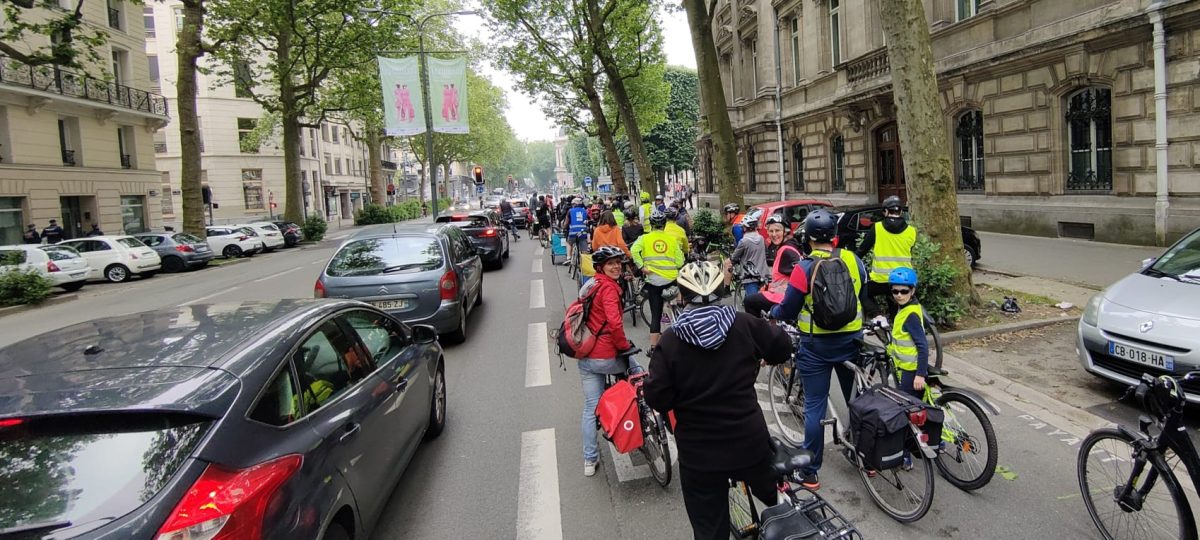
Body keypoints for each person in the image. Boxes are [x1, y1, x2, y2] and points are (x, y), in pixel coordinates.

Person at [643, 260, 794, 540]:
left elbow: (657, 397)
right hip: (750, 442)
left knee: (709, 528)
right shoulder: (744, 324)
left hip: (700, 454)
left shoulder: (671, 341)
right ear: (722, 290)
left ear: (682, 296)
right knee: (777, 503)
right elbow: (782, 347)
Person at [768, 208, 868, 490]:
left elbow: (789, 309)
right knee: (857, 400)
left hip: (817, 346)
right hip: (852, 340)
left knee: (814, 406)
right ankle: (867, 457)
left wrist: (774, 312)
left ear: (808, 238)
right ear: (834, 237)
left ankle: (810, 472)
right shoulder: (853, 260)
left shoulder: (804, 268)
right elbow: (863, 295)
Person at [576, 246, 640, 477]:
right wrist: (624, 347)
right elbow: (614, 324)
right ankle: (644, 421)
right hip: (606, 355)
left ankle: (589, 459)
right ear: (600, 267)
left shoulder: (590, 284)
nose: (616, 267)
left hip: (586, 355)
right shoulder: (609, 289)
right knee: (638, 372)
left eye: (618, 263)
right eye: (610, 264)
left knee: (590, 408)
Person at [630, 209, 685, 353]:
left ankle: (654, 348)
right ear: (664, 224)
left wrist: (642, 267)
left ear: (651, 225)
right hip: (671, 279)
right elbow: (680, 262)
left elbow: (634, 250)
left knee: (656, 314)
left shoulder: (644, 238)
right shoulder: (671, 239)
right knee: (678, 300)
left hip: (653, 281)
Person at [855, 195, 916, 321]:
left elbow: (862, 251)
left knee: (862, 292)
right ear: (901, 211)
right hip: (903, 279)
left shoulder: (877, 228)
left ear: (886, 211)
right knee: (895, 301)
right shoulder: (911, 231)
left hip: (880, 280)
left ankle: (878, 316)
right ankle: (894, 323)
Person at [743, 215, 802, 316]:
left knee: (749, 301)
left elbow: (800, 274)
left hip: (783, 298)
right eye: (771, 231)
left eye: (777, 230)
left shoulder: (787, 250)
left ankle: (757, 326)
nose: (774, 234)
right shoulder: (789, 245)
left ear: (785, 231)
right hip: (782, 295)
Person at [886, 267, 930, 400]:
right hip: (905, 367)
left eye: (904, 291)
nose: (899, 295)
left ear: (912, 291)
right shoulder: (905, 308)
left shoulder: (910, 315)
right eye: (895, 291)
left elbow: (923, 346)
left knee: (907, 405)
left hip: (912, 370)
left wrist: (920, 375)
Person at [729, 214, 768, 297]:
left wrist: (732, 260)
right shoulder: (761, 238)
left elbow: (735, 257)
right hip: (763, 274)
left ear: (745, 228)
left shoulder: (743, 241)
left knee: (753, 301)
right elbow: (766, 252)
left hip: (750, 276)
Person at [566, 198, 590, 265]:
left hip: (573, 232)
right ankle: (585, 261)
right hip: (583, 232)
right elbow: (587, 220)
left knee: (569, 243)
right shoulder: (585, 211)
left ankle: (568, 257)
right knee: (584, 248)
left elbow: (566, 222)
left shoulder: (570, 211)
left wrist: (564, 227)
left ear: (574, 204)